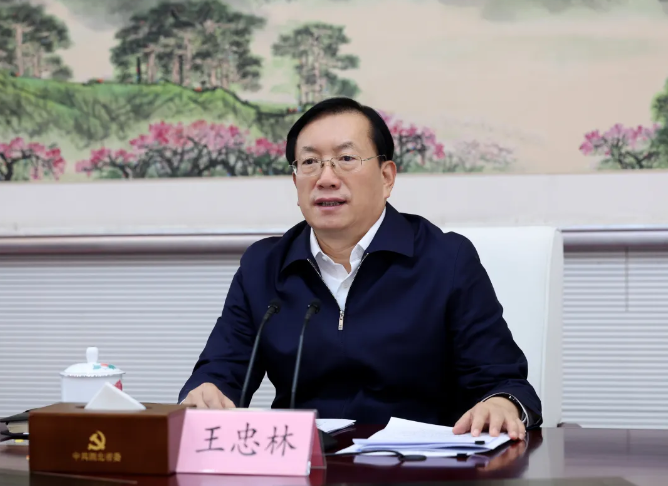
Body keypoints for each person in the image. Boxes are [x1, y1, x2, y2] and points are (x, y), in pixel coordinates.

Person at [179, 97, 542, 439]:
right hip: (307, 463)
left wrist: (501, 403)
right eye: (310, 162)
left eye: (346, 158)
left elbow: (505, 383)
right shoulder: (263, 266)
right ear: (295, 181)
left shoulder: (446, 259)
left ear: (386, 177)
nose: (325, 178)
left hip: (420, 465)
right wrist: (206, 391)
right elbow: (221, 373)